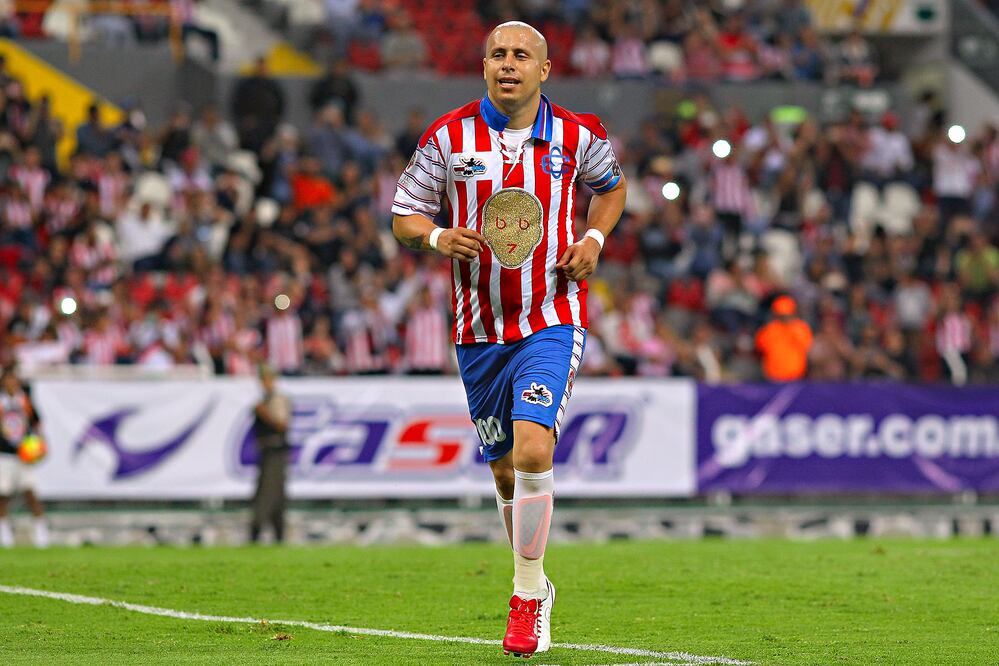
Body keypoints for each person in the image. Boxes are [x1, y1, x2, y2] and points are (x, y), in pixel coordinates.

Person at [391, 21, 627, 658]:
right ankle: (537, 579)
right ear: (484, 65)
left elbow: (612, 190)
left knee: (530, 446)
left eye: (523, 55)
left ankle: (526, 594)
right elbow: (403, 215)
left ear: (545, 70)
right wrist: (438, 237)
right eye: (498, 54)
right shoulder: (447, 136)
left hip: (552, 316)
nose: (509, 64)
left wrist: (594, 241)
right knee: (502, 469)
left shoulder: (578, 136)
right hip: (477, 330)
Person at [0, 367, 48, 548]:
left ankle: (41, 533)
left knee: (30, 491)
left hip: (23, 455)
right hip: (4, 454)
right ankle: (4, 535)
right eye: (8, 380)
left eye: (14, 380)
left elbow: (37, 424)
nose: (11, 384)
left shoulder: (25, 401)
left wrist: (40, 445)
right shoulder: (1, 402)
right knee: (2, 495)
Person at [249, 364, 292, 544]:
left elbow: (282, 425)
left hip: (275, 452)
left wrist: (263, 413)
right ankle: (277, 534)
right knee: (274, 494)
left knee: (268, 493)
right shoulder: (267, 398)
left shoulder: (277, 400)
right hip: (267, 452)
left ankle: (258, 531)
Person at [755, 295, 813, 382]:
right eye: (781, 315)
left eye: (787, 315)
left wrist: (791, 329)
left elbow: (806, 346)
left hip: (796, 377)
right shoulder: (769, 329)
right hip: (773, 377)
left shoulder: (800, 328)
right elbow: (760, 347)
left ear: (793, 313)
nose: (784, 318)